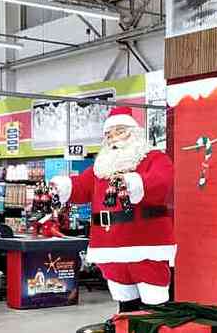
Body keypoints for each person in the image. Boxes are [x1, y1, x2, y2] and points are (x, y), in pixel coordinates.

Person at [51, 106, 175, 312]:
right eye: (108, 134)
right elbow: (81, 187)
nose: (113, 138)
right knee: (123, 295)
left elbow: (161, 183)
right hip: (108, 244)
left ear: (134, 132)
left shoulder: (154, 159)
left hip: (144, 242)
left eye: (119, 131)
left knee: (152, 294)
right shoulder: (101, 167)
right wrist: (63, 187)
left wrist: (133, 182)